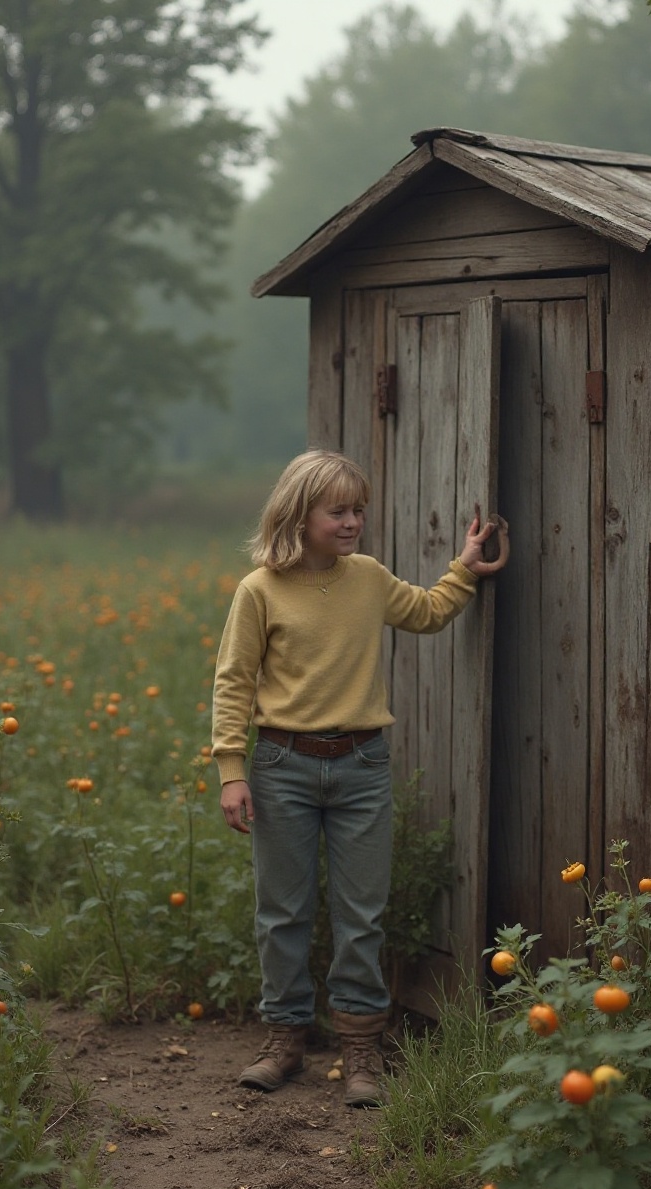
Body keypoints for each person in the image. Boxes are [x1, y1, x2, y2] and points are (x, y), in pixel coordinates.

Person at [212, 449, 509, 1107]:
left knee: (361, 915)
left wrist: (464, 569)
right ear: (300, 514)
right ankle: (285, 1040)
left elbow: (429, 611)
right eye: (338, 511)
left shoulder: (369, 578)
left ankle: (360, 1048)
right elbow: (233, 682)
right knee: (282, 912)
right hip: (282, 767)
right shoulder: (258, 591)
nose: (352, 522)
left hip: (362, 767)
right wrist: (233, 771)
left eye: (358, 511)